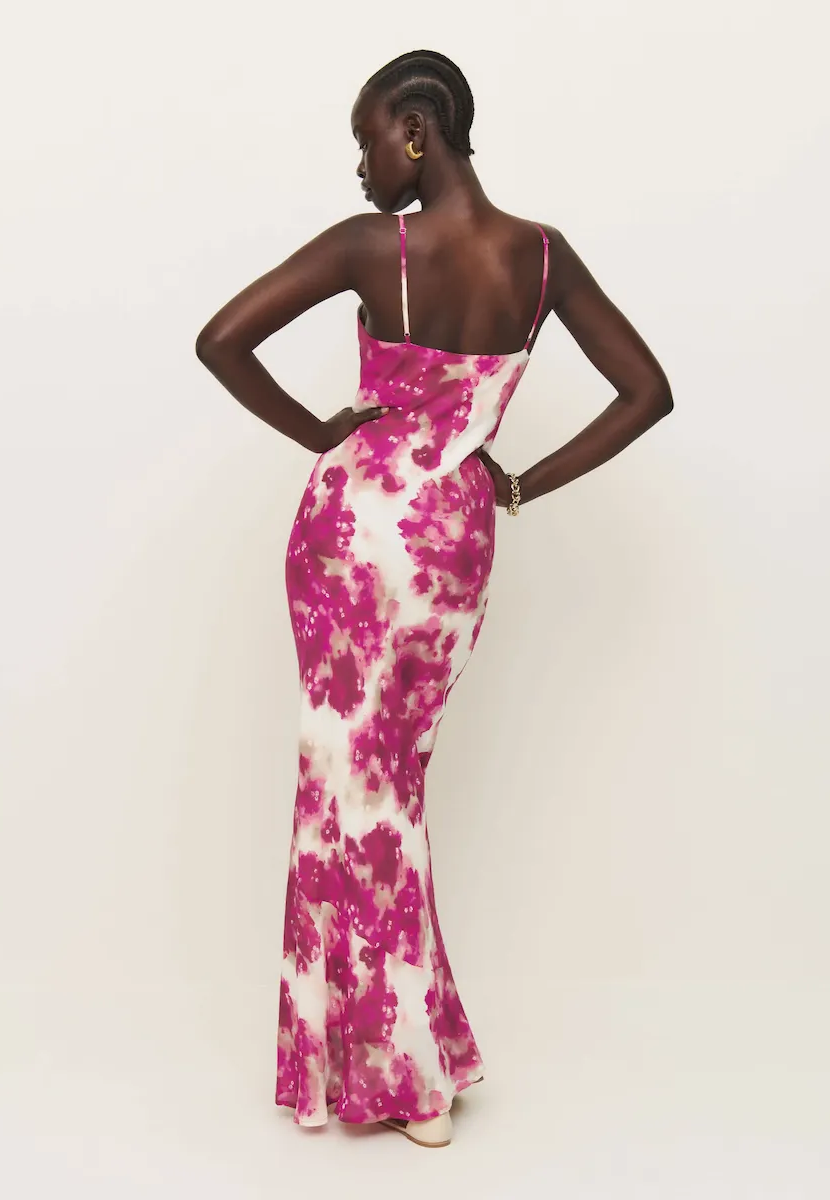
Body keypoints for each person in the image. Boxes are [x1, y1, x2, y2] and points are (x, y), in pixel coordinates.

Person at [195, 49, 672, 1149]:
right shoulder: (542, 257)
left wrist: (323, 434)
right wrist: (518, 483)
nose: (362, 168)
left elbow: (220, 340)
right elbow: (647, 391)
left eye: (366, 140)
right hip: (455, 538)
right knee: (389, 785)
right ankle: (402, 1057)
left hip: (354, 529)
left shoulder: (375, 247)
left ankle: (406, 1075)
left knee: (348, 786)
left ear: (415, 129)